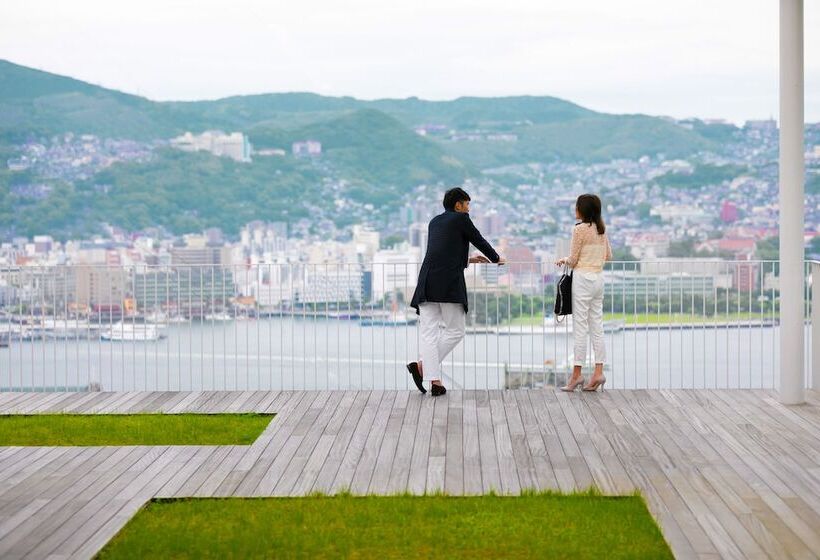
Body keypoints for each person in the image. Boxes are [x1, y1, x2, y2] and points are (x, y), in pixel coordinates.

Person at [407, 187, 505, 396]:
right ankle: (423, 367)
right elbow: (478, 239)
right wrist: (497, 258)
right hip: (447, 284)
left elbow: (441, 252)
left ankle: (434, 381)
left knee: (429, 335)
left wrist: (468, 259)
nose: (468, 208)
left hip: (426, 282)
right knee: (456, 331)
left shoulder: (434, 222)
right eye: (467, 204)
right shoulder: (461, 219)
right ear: (458, 204)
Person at [555, 194, 612, 392]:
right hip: (599, 279)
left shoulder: (579, 229)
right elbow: (608, 255)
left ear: (582, 210)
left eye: (576, 206)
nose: (575, 209)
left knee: (580, 328)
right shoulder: (601, 229)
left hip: (583, 280)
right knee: (597, 326)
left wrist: (563, 260)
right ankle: (598, 372)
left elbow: (573, 258)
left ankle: (576, 376)